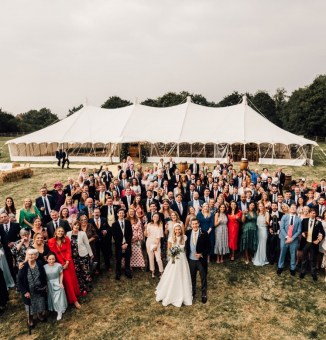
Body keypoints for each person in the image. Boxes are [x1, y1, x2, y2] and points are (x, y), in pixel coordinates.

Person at [155, 224, 192, 307]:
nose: (178, 231)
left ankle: (184, 291)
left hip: (182, 259)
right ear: (174, 230)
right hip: (174, 259)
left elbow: (185, 249)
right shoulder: (171, 238)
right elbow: (169, 251)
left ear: (181, 230)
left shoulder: (184, 237)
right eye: (176, 230)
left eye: (179, 229)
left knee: (183, 274)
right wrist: (173, 255)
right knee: (173, 274)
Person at [48, 227, 81, 308]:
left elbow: (68, 251)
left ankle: (75, 296)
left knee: (72, 280)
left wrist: (67, 262)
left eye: (62, 231)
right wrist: (62, 264)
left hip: (68, 262)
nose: (60, 232)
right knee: (67, 281)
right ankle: (73, 300)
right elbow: (55, 253)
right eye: (59, 231)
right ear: (55, 232)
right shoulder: (51, 241)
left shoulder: (66, 239)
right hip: (59, 264)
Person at [17, 248, 47, 328]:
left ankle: (39, 315)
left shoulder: (39, 263)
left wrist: (45, 286)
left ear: (36, 256)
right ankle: (30, 319)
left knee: (40, 302)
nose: (31, 256)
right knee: (29, 306)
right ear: (27, 256)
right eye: (29, 254)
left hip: (39, 288)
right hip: (28, 291)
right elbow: (19, 281)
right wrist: (25, 292)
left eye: (33, 254)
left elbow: (43, 275)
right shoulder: (23, 266)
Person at [185, 218, 210, 304]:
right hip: (191, 260)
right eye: (193, 224)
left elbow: (209, 248)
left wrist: (201, 254)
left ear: (198, 224)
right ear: (191, 225)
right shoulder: (187, 233)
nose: (194, 225)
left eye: (196, 224)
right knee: (192, 277)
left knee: (203, 277)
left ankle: (204, 294)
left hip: (201, 260)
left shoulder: (204, 233)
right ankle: (193, 292)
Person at [67, 221, 93, 295]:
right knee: (77, 272)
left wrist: (91, 254)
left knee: (85, 271)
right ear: (72, 226)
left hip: (83, 255)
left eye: (78, 225)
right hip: (74, 257)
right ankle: (81, 288)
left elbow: (87, 244)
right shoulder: (68, 234)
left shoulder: (82, 233)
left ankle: (87, 286)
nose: (76, 227)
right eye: (75, 225)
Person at [299, 210, 325, 281]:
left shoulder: (319, 223)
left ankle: (313, 273)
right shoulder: (304, 220)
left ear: (316, 214)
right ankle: (302, 272)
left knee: (313, 259)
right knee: (304, 258)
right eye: (311, 213)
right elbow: (300, 229)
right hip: (305, 242)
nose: (313, 214)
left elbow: (322, 233)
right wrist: (302, 233)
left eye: (314, 213)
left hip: (313, 243)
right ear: (309, 213)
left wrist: (318, 240)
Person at [277, 204, 302, 276]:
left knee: (293, 254)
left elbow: (299, 231)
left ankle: (292, 268)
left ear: (296, 209)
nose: (293, 208)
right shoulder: (285, 217)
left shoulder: (298, 219)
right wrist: (287, 237)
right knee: (282, 253)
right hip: (284, 238)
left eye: (294, 207)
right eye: (292, 207)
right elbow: (281, 228)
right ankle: (280, 267)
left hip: (293, 240)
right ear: (289, 209)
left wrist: (292, 238)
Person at [44, 253, 68, 321]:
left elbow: (61, 274)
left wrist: (60, 283)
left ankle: (59, 311)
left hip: (57, 282)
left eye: (53, 259)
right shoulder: (44, 267)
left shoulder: (58, 265)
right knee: (53, 298)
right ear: (47, 259)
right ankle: (55, 309)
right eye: (50, 259)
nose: (51, 261)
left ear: (55, 259)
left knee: (58, 297)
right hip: (49, 283)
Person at [112, 209, 133, 280]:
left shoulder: (128, 222)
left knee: (127, 259)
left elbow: (130, 234)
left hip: (127, 244)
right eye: (120, 213)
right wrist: (121, 245)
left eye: (122, 213)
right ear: (117, 214)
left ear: (124, 214)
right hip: (119, 245)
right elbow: (115, 236)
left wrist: (126, 243)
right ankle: (118, 272)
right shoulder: (114, 224)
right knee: (118, 259)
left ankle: (127, 272)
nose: (121, 214)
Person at [145, 212, 164, 278]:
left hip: (156, 242)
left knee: (158, 258)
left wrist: (156, 245)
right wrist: (145, 228)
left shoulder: (160, 225)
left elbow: (160, 236)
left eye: (157, 217)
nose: (155, 218)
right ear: (152, 217)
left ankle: (161, 272)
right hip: (149, 241)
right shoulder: (149, 224)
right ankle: (152, 272)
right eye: (154, 216)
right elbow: (146, 235)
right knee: (151, 257)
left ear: (158, 218)